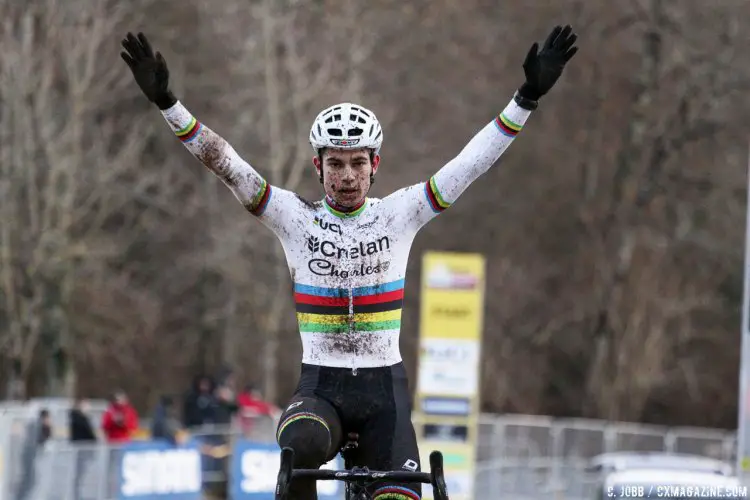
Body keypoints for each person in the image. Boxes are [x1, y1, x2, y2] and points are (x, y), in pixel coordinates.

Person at [120, 24, 578, 500]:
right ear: (318, 166)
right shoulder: (292, 217)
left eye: (358, 162)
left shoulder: (401, 213)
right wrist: (168, 104)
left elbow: (470, 164)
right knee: (299, 446)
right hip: (321, 390)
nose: (347, 176)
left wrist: (525, 99)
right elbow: (226, 163)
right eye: (335, 164)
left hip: (386, 396)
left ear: (375, 164)